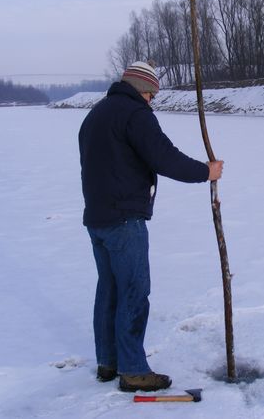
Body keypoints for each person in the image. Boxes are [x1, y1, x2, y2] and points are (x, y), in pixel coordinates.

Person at [78, 61, 224, 392]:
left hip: (97, 219)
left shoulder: (96, 114)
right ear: (143, 90)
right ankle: (132, 370)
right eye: (152, 96)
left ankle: (108, 361)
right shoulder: (135, 114)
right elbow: (164, 157)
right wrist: (206, 172)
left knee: (110, 290)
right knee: (132, 291)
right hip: (124, 219)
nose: (151, 102)